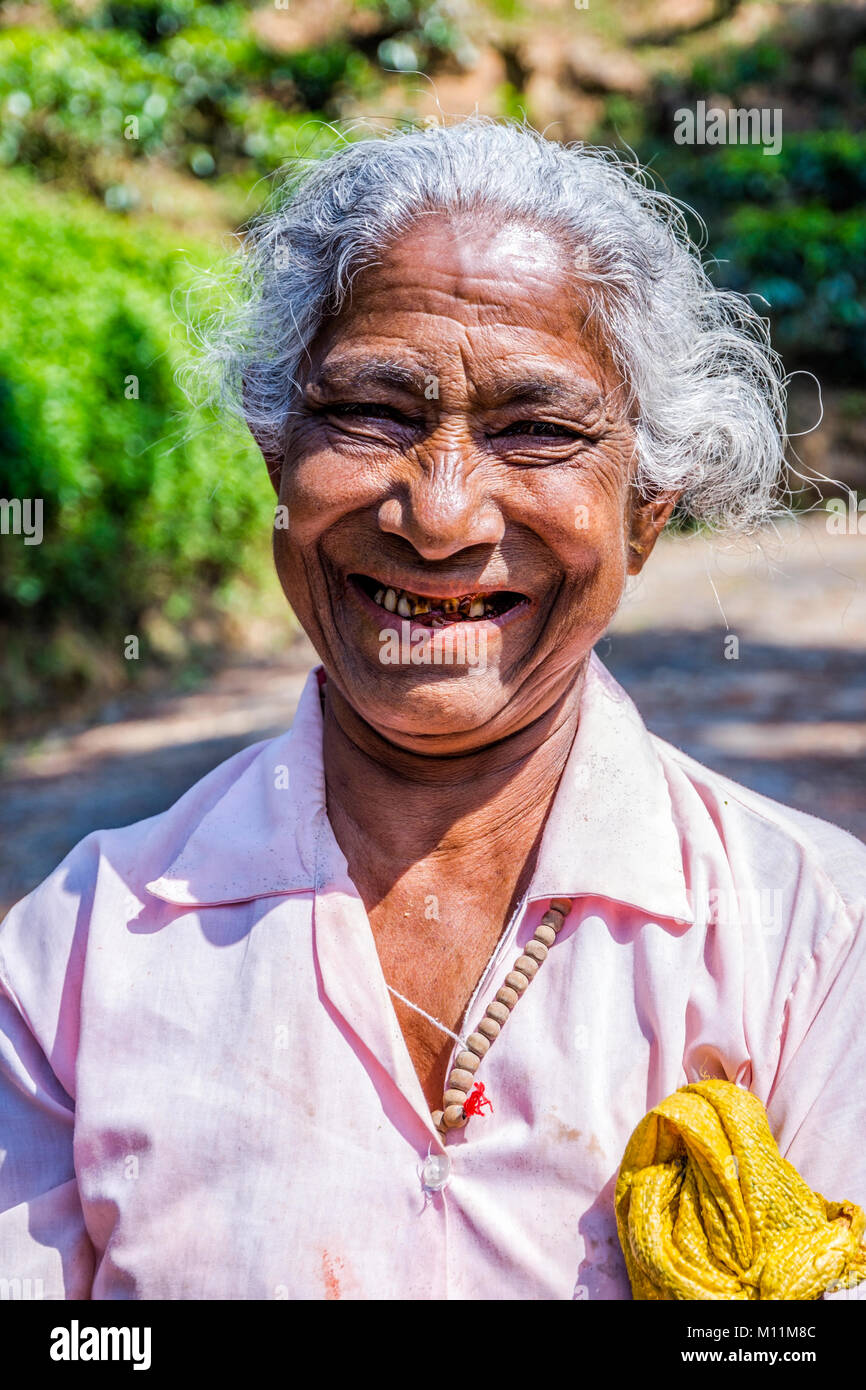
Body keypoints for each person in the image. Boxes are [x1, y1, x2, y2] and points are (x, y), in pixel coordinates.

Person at [1, 117, 864, 1300]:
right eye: (371, 412)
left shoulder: (813, 942)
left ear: (646, 512)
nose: (442, 513)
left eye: (538, 429)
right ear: (275, 461)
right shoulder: (69, 960)